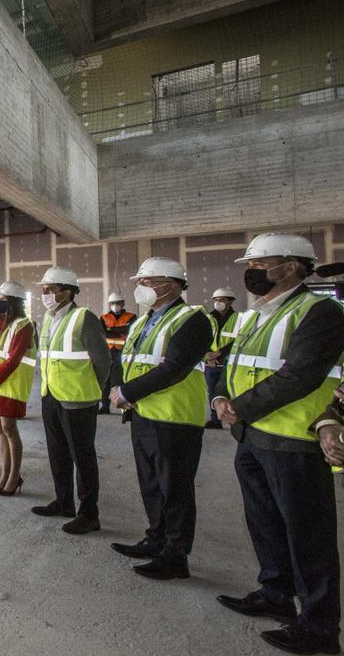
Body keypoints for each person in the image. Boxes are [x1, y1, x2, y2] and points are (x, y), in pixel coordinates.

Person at [211, 233, 344, 655]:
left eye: (260, 263)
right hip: (252, 437)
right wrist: (219, 399)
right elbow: (235, 363)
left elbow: (300, 375)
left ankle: (320, 629)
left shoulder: (319, 311)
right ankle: (276, 594)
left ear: (290, 267)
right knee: (264, 523)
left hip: (291, 440)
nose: (251, 273)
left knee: (307, 535)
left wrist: (239, 408)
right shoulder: (259, 313)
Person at [109, 258, 213, 581]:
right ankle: (156, 539)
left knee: (175, 488)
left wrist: (127, 392)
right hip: (143, 415)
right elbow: (131, 359)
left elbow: (173, 368)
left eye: (148, 281)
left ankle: (175, 555)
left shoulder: (193, 320)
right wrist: (122, 391)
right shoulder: (144, 321)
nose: (142, 287)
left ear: (172, 284)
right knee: (151, 485)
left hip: (175, 419)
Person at [31, 266, 110, 535]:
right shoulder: (48, 319)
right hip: (50, 396)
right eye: (44, 289)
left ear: (68, 291)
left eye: (50, 289)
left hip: (78, 400)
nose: (45, 293)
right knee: (57, 453)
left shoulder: (83, 318)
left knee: (82, 457)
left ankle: (89, 513)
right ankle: (64, 501)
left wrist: (93, 389)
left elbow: (103, 361)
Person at [0, 281, 35, 496]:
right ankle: (5, 475)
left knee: (10, 429)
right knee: (0, 430)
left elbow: (13, 359)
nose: (0, 303)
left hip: (9, 385)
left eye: (4, 299)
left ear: (14, 302)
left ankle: (14, 477)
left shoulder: (23, 325)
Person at [203, 288, 241, 429]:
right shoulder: (208, 318)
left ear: (230, 302)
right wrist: (207, 356)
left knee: (231, 391)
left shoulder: (238, 318)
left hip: (227, 361)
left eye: (222, 300)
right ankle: (215, 420)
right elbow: (202, 339)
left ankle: (233, 418)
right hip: (210, 363)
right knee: (213, 392)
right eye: (216, 300)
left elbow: (239, 340)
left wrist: (220, 353)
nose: (219, 303)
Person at [100, 292, 136, 414]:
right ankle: (105, 406)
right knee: (106, 379)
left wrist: (111, 329)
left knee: (121, 379)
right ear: (109, 304)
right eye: (113, 303)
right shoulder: (104, 317)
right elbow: (102, 333)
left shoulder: (131, 317)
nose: (116, 305)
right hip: (107, 351)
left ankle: (124, 408)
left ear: (123, 303)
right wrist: (120, 331)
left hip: (123, 352)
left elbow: (130, 330)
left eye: (118, 303)